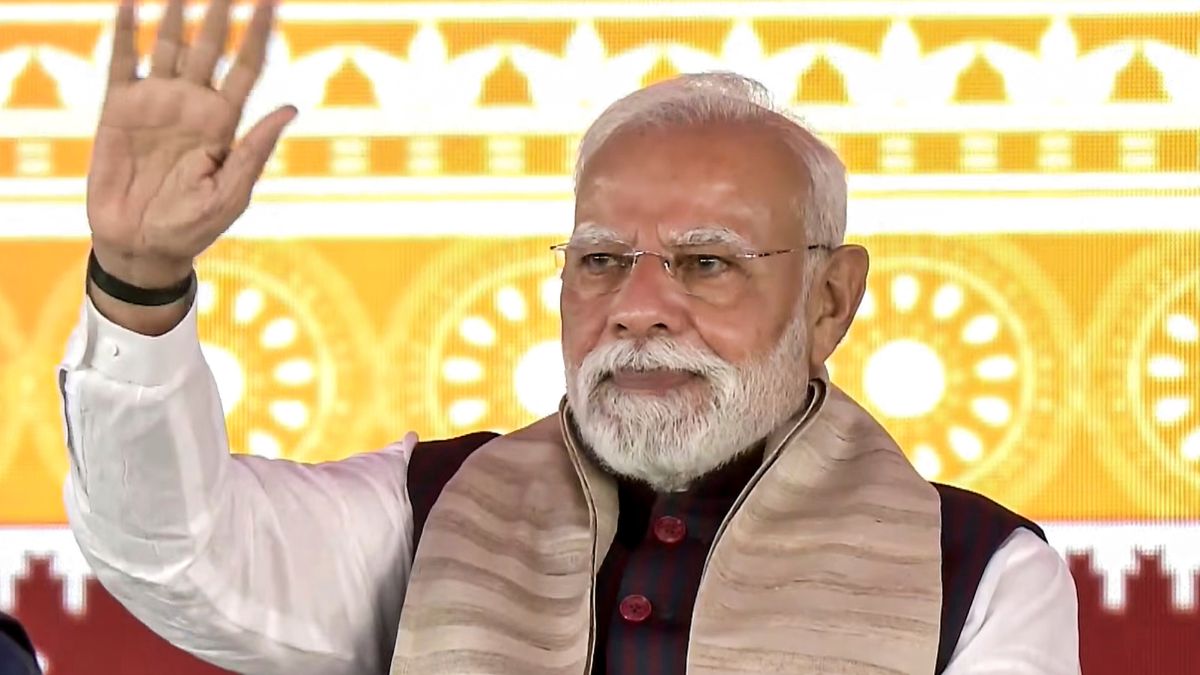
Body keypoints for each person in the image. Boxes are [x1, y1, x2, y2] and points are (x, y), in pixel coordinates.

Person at [58, 1, 1080, 674]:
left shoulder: (981, 576)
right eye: (599, 260)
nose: (637, 306)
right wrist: (140, 279)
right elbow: (175, 551)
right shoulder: (428, 514)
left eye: (706, 263)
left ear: (830, 302)